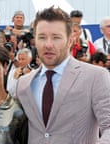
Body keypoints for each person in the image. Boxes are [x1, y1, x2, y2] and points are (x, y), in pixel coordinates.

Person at [16, 6, 110, 143]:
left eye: (56, 37)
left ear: (70, 40)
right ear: (35, 40)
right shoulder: (23, 83)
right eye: (42, 37)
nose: (48, 44)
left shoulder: (96, 76)